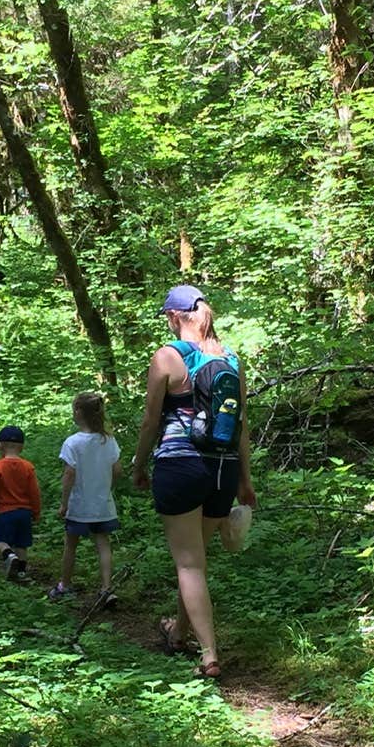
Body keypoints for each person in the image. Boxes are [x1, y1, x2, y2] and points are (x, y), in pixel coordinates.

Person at [130, 284, 255, 678]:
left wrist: (138, 463)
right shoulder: (232, 360)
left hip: (180, 465)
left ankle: (209, 655)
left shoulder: (167, 357)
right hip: (223, 469)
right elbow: (242, 426)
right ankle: (179, 632)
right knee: (197, 562)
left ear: (173, 317)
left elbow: (151, 420)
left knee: (188, 566)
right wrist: (244, 481)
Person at [49, 392, 121, 603]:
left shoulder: (73, 442)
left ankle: (65, 585)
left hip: (79, 506)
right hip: (102, 505)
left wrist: (64, 504)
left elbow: (69, 474)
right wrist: (106, 486)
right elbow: (118, 470)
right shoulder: (108, 440)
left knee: (71, 545)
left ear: (79, 412)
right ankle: (106, 588)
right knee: (103, 545)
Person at [0, 423, 41, 580]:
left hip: (5, 512)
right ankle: (22, 573)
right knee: (22, 544)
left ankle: (9, 556)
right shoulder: (28, 467)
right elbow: (34, 492)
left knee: (1, 541)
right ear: (22, 447)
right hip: (24, 513)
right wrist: (36, 512)